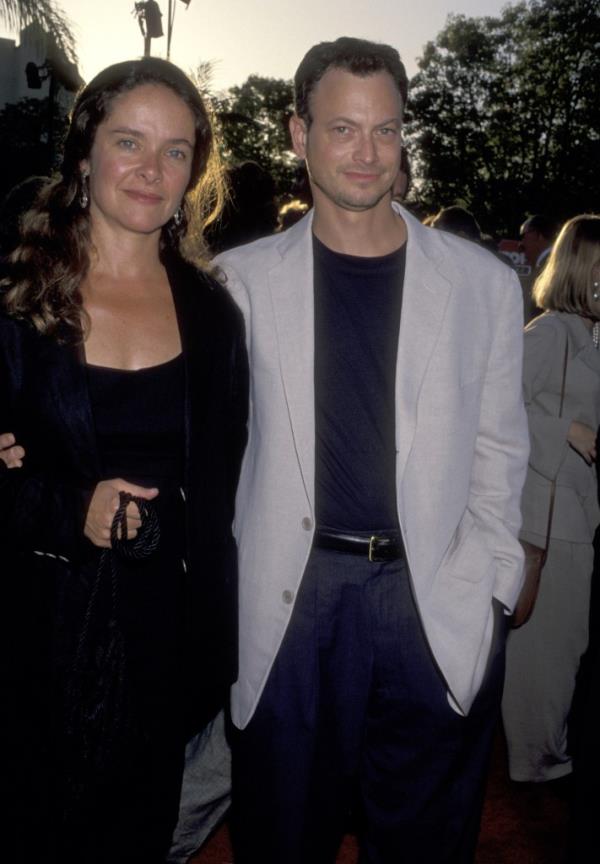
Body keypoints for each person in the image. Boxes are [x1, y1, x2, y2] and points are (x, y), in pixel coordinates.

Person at [216, 36, 529, 864]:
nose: (366, 152)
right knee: (283, 835)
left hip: (432, 596)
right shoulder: (236, 284)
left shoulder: (484, 285)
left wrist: (493, 587)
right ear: (297, 133)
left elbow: (502, 447)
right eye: (343, 128)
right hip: (292, 596)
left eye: (385, 130)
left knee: (426, 841)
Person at [0, 57, 247, 864]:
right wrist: (70, 508)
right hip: (34, 634)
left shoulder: (212, 313)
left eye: (176, 151)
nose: (151, 169)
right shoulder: (16, 300)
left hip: (165, 647)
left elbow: (227, 482)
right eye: (129, 142)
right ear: (85, 154)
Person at [502, 214, 600, 785]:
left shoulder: (589, 332)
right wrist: (565, 429)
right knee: (547, 648)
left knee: (566, 643)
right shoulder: (550, 333)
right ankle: (534, 760)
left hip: (575, 509)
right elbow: (498, 409)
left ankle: (544, 751)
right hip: (546, 512)